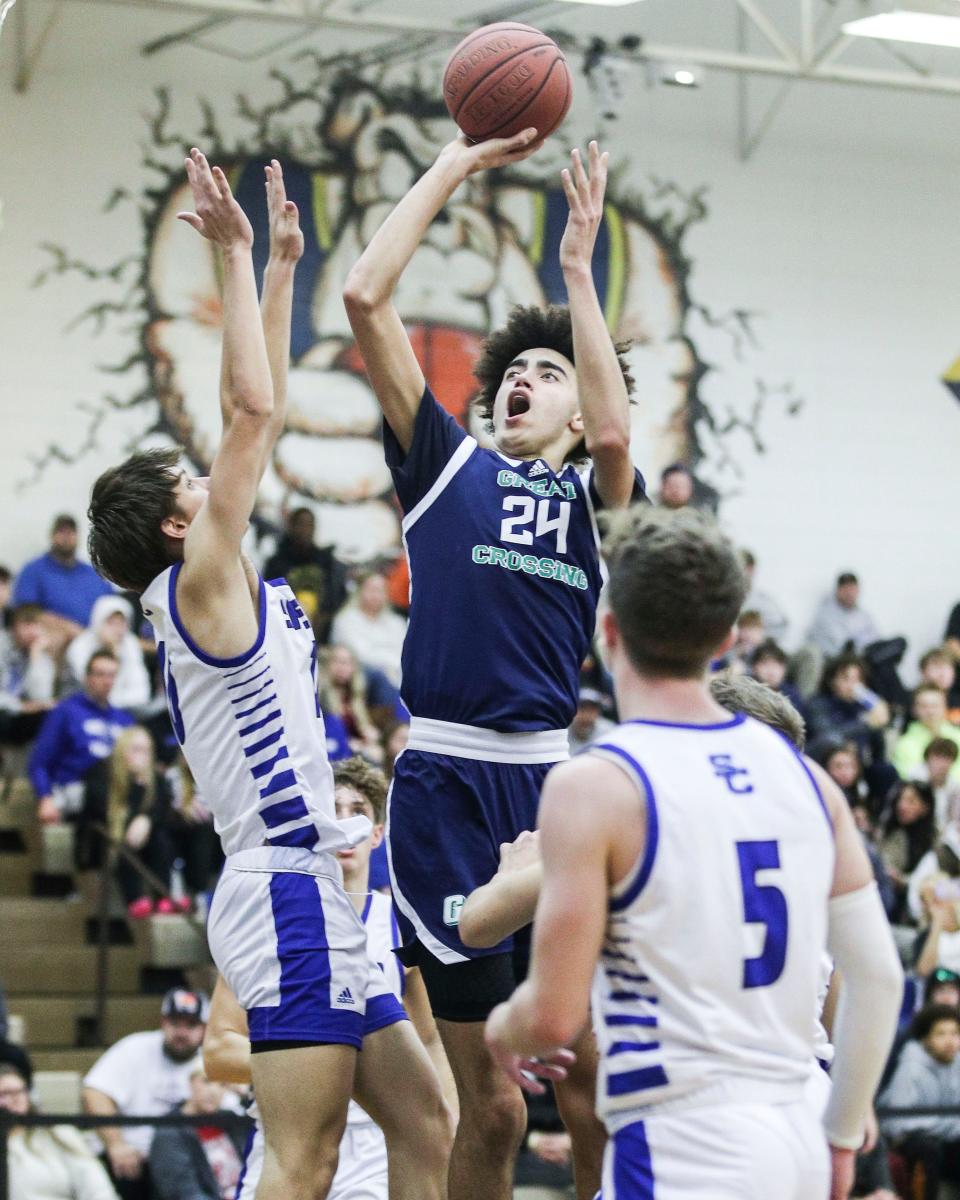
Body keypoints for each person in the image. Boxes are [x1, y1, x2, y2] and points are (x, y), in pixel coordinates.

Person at [86, 153, 444, 1200]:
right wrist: (237, 256)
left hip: (314, 885)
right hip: (282, 885)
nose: (215, 479)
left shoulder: (219, 579)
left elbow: (262, 405)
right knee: (306, 1158)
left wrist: (281, 268)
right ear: (173, 522)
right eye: (192, 482)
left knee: (426, 1125)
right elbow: (253, 415)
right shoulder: (198, 587)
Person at [343, 130, 644, 1200]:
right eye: (512, 371)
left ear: (578, 403)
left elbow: (615, 439)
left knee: (595, 1084)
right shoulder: (447, 465)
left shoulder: (598, 507)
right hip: (445, 792)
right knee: (499, 1104)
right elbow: (366, 297)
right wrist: (456, 169)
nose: (521, 382)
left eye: (547, 372)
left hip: (552, 787)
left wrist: (576, 272)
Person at [484, 507, 903, 1200]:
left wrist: (504, 1026)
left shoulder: (596, 783)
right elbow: (879, 979)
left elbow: (554, 1018)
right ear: (729, 636)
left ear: (609, 631)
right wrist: (842, 1130)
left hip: (684, 1136)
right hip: (799, 1117)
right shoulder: (808, 780)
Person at [203, 755, 454, 1200]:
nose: (342, 824)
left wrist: (446, 1121)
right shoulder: (270, 922)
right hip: (289, 1126)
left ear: (377, 834)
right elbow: (219, 1052)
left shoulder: (399, 924)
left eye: (356, 811)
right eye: (330, 810)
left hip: (374, 1143)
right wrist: (323, 1062)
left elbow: (430, 1041)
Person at [82, 989, 209, 1200]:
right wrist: (116, 1144)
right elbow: (94, 1093)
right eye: (175, 1023)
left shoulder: (211, 1060)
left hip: (189, 1161)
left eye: (191, 1025)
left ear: (204, 1029)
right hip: (133, 1161)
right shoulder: (135, 1047)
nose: (182, 1032)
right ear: (162, 1023)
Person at [75, 725, 178, 919]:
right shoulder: (101, 772)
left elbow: (163, 809)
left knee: (160, 839)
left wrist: (146, 819)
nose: (143, 756)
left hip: (143, 844)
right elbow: (102, 811)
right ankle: (135, 899)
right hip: (102, 840)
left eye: (147, 751)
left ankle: (163, 897)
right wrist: (138, 789)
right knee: (122, 839)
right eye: (137, 749)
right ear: (122, 750)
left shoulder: (155, 778)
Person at [28, 649, 134, 825]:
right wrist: (45, 797)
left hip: (116, 791)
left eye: (112, 675)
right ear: (87, 678)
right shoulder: (65, 712)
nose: (107, 681)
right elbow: (39, 762)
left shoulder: (125, 719)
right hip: (76, 791)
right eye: (100, 674)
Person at [0, 1061, 119, 1200]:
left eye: (20, 1091)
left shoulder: (60, 1134)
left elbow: (99, 1191)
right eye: (4, 1094)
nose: (14, 1100)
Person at [880, 1004, 960, 1198]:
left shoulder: (956, 1063)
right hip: (907, 1138)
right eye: (941, 1034)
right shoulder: (911, 1067)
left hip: (943, 1136)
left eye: (955, 1033)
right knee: (927, 1148)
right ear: (925, 1039)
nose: (950, 1041)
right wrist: (945, 1124)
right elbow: (895, 1122)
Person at [148, 1062, 248, 1200]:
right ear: (191, 1083)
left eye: (222, 1085)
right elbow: (183, 1192)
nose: (214, 1091)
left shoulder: (229, 1120)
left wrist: (244, 1093)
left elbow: (263, 1125)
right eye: (206, 1081)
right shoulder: (170, 1131)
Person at [13, 514, 113, 645]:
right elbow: (26, 612)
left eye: (71, 532)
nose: (66, 537)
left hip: (98, 641)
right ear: (52, 535)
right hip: (55, 639)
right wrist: (68, 628)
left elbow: (114, 606)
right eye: (61, 531)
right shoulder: (34, 570)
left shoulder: (93, 573)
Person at [262, 506, 346, 645]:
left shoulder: (325, 561)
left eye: (310, 525)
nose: (305, 530)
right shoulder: (276, 563)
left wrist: (323, 616)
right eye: (301, 524)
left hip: (320, 634)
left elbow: (336, 596)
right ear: (291, 526)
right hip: (283, 631)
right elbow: (268, 599)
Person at [65, 595, 151, 711]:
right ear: (98, 620)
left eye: (121, 623)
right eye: (111, 623)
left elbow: (141, 691)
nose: (117, 629)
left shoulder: (130, 643)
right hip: (81, 707)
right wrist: (113, 652)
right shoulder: (79, 646)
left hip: (124, 709)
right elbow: (95, 690)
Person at [329, 572, 407, 688]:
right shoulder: (345, 620)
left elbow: (406, 654)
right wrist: (392, 663)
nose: (376, 595)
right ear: (359, 591)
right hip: (364, 678)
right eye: (371, 590)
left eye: (380, 591)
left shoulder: (397, 622)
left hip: (398, 674)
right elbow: (359, 655)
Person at [877, 781, 937, 924]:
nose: (902, 806)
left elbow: (933, 878)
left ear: (925, 807)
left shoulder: (934, 838)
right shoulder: (892, 832)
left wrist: (904, 881)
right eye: (901, 799)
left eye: (911, 801)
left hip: (918, 905)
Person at [0, 602, 56, 746]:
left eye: (36, 625)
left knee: (51, 717)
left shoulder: (40, 654)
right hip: (5, 709)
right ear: (13, 627)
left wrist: (35, 655)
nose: (33, 631)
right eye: (27, 624)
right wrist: (19, 706)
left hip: (20, 717)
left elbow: (41, 697)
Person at [893, 685, 960, 783]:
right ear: (914, 710)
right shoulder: (904, 744)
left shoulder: (958, 735)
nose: (930, 711)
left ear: (945, 706)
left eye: (935, 705)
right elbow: (911, 780)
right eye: (924, 706)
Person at [807, 572, 882, 659]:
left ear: (858, 591)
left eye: (852, 589)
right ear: (838, 591)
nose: (849, 593)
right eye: (845, 589)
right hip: (839, 660)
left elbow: (875, 640)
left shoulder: (864, 616)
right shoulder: (825, 615)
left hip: (865, 657)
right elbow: (826, 646)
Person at [740, 550, 789, 646]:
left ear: (751, 570)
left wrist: (758, 638)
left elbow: (781, 626)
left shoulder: (763, 602)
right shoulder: (722, 599)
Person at [567, 687, 614, 756]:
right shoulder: (562, 729)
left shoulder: (610, 731)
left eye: (591, 710)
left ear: (598, 712)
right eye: (582, 709)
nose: (586, 715)